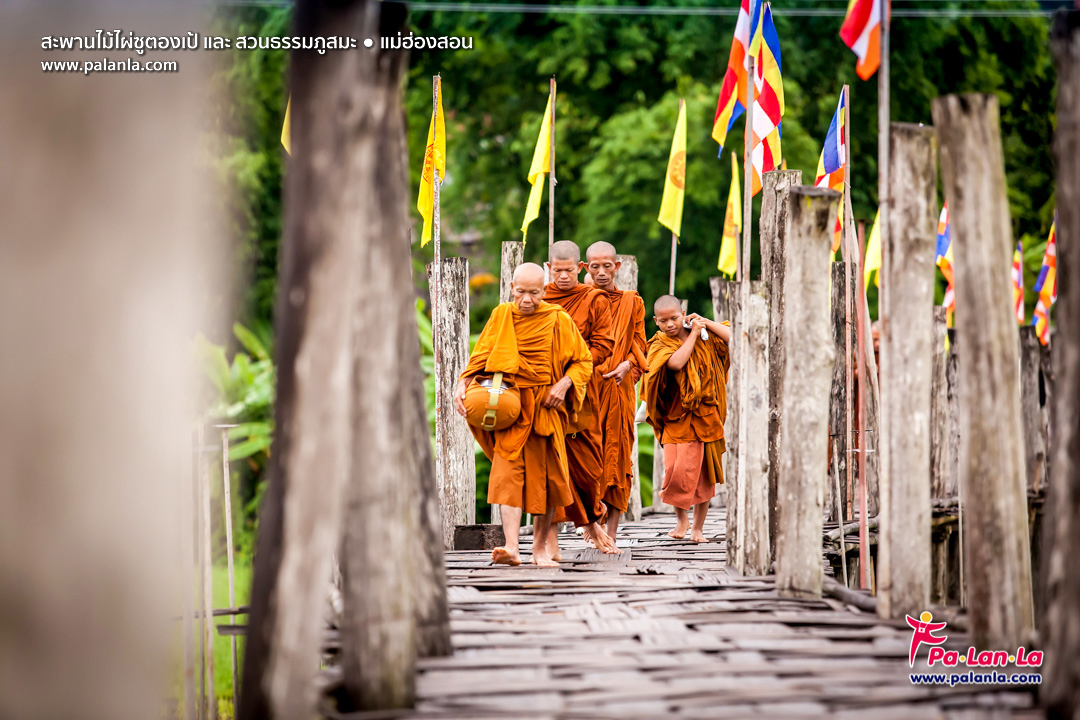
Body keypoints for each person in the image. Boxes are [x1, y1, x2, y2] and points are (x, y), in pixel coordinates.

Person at [455, 263, 593, 567]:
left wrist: (563, 384)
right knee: (506, 479)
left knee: (546, 483)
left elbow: (583, 362)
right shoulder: (501, 315)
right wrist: (463, 383)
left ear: (544, 291)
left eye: (533, 292)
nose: (527, 299)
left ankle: (539, 550)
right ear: (512, 289)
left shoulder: (558, 319)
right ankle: (512, 547)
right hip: (511, 408)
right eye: (521, 292)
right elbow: (479, 357)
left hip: (546, 408)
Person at [542, 241, 621, 557]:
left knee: (589, 468)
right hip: (544, 394)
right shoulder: (539, 297)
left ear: (580, 269)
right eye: (557, 271)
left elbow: (604, 346)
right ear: (549, 268)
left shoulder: (593, 300)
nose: (563, 277)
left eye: (569, 270)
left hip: (581, 392)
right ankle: (551, 542)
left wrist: (573, 365)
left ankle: (590, 521)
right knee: (550, 464)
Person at [643, 296, 731, 543]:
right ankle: (682, 519)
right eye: (663, 320)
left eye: (674, 318)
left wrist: (705, 323)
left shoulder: (705, 335)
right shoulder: (659, 344)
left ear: (683, 313)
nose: (670, 324)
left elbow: (734, 338)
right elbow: (676, 363)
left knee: (704, 475)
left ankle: (697, 529)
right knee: (674, 470)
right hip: (675, 417)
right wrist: (692, 335)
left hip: (706, 417)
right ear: (656, 322)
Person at [584, 241, 647, 541]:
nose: (601, 272)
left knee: (620, 457)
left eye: (607, 265)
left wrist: (628, 365)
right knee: (588, 456)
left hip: (620, 390)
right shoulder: (583, 301)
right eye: (594, 266)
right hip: (587, 391)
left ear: (617, 266)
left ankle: (612, 532)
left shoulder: (633, 302)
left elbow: (640, 346)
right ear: (585, 268)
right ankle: (591, 524)